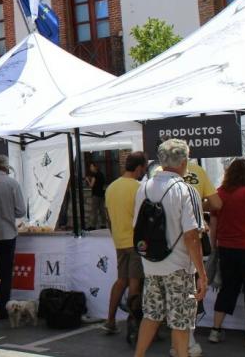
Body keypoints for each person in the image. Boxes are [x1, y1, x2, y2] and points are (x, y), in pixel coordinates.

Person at [133, 139, 206, 357]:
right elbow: (192, 236)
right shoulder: (186, 191)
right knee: (180, 321)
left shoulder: (143, 187)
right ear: (184, 161)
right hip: (179, 266)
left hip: (151, 262)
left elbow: (136, 226)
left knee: (151, 314)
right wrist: (202, 273)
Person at [207, 158, 245, 347]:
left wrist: (214, 246)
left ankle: (215, 330)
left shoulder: (219, 194)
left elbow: (213, 224)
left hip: (225, 248)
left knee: (227, 289)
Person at [102, 151, 147, 334]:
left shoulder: (111, 187)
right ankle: (134, 324)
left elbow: (108, 218)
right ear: (138, 168)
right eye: (143, 168)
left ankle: (110, 320)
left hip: (120, 241)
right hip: (136, 242)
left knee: (121, 280)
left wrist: (116, 235)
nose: (144, 171)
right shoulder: (139, 187)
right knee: (135, 282)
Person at [0, 155, 25, 320]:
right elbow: (21, 211)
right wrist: (9, 212)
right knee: (5, 273)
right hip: (8, 233)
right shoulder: (13, 183)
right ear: (7, 168)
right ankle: (3, 309)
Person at [86, 163, 107, 229]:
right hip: (101, 194)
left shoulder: (95, 175)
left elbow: (91, 185)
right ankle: (103, 224)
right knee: (102, 210)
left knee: (94, 210)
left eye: (91, 166)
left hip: (96, 195)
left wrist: (87, 180)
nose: (90, 168)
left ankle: (93, 225)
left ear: (95, 167)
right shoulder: (101, 174)